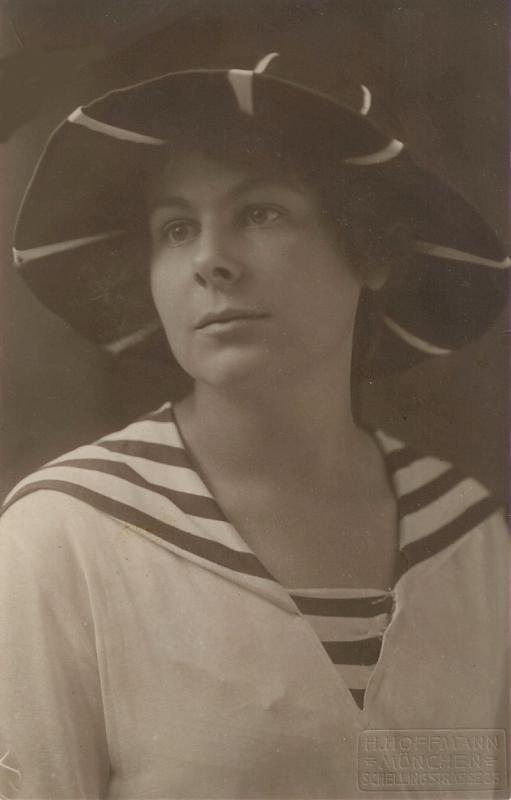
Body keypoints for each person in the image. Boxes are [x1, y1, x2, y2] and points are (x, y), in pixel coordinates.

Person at [0, 53, 508, 799]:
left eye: (260, 213)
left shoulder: (468, 540)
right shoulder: (65, 536)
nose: (210, 261)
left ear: (369, 250)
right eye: (176, 229)